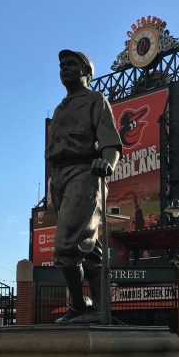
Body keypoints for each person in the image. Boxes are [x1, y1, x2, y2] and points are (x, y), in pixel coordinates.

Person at [46, 49, 122, 323]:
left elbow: (111, 142)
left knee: (64, 248)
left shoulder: (96, 100)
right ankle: (101, 308)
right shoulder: (60, 108)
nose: (64, 69)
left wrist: (108, 163)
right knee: (89, 247)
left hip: (86, 173)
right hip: (60, 177)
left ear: (87, 72)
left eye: (71, 64)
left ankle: (78, 305)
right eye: (61, 65)